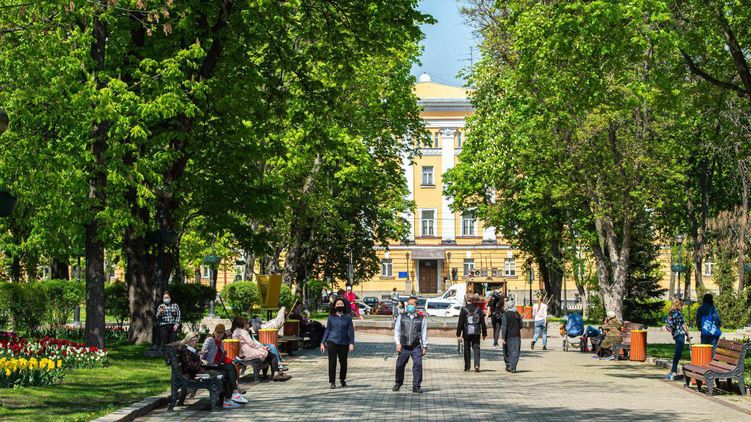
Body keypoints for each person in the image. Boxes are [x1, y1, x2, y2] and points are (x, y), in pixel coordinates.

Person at [193, 327, 248, 408]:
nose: (219, 334)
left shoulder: (221, 342)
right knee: (229, 369)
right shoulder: (210, 340)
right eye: (218, 332)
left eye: (221, 333)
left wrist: (232, 360)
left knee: (231, 367)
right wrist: (202, 358)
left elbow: (221, 357)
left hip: (216, 365)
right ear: (214, 332)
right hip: (208, 365)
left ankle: (231, 397)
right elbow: (203, 353)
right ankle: (233, 395)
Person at [231, 317, 290, 381]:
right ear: (241, 323)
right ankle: (275, 374)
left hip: (243, 351)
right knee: (273, 356)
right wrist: (262, 347)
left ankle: (276, 373)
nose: (247, 324)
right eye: (245, 323)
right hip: (249, 352)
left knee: (269, 355)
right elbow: (251, 343)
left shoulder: (235, 332)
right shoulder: (242, 332)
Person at [393, 296, 428, 393]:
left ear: (416, 305)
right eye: (408, 304)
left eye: (412, 304)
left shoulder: (421, 318)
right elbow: (397, 330)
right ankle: (398, 383)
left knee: (418, 365)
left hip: (416, 346)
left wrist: (424, 346)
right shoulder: (402, 316)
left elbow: (424, 332)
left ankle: (416, 385)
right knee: (400, 365)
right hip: (404, 346)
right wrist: (398, 343)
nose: (410, 306)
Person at [321, 298, 355, 389]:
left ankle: (342, 379)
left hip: (344, 342)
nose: (339, 306)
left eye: (341, 304)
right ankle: (332, 382)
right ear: (335, 306)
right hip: (332, 341)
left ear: (344, 306)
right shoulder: (331, 317)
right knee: (332, 362)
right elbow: (327, 330)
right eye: (338, 304)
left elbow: (351, 331)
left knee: (343, 362)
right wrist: (322, 342)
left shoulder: (348, 317)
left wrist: (351, 343)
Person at [456, 294, 488, 372]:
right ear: (474, 300)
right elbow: (483, 323)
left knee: (466, 350)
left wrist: (458, 334)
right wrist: (484, 334)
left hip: (466, 333)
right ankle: (477, 365)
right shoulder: (479, 309)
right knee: (476, 348)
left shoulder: (464, 310)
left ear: (467, 299)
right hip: (476, 333)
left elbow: (460, 323)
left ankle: (467, 367)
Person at [665, 298, 691, 380]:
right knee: (678, 353)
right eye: (682, 305)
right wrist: (688, 334)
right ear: (679, 305)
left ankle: (673, 370)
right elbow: (683, 325)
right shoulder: (678, 313)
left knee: (677, 352)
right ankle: (673, 371)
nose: (682, 307)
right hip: (680, 334)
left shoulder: (671, 312)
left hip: (675, 334)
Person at [501, 296, 522, 373]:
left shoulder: (505, 315)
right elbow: (521, 325)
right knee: (515, 352)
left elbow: (504, 327)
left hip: (508, 336)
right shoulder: (517, 314)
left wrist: (503, 338)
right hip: (517, 335)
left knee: (507, 351)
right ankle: (513, 367)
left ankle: (509, 365)